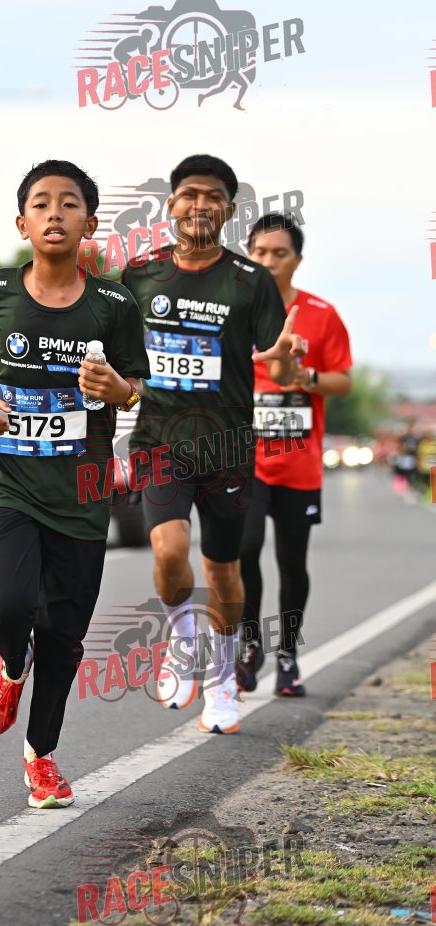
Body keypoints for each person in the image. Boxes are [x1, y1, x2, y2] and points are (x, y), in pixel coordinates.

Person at [0, 160, 149, 808]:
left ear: (89, 224)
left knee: (64, 635)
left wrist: (115, 388)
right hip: (7, 476)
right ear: (22, 224)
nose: (55, 213)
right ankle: (13, 664)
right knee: (11, 604)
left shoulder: (115, 305)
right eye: (41, 204)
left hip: (81, 488)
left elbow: (136, 387)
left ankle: (41, 757)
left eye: (70, 204)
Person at [121, 155, 305, 734]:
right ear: (172, 203)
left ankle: (222, 681)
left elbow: (280, 360)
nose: (200, 205)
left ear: (228, 210)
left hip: (227, 450)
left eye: (214, 197)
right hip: (159, 441)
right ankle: (182, 642)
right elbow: (116, 353)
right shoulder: (140, 274)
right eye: (190, 194)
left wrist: (286, 358)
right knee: (169, 551)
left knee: (224, 572)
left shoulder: (251, 281)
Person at [237, 213, 352, 697]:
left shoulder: (321, 314)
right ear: (248, 256)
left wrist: (307, 378)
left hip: (298, 462)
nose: (269, 261)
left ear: (297, 260)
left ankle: (287, 654)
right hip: (245, 459)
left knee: (291, 561)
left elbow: (343, 381)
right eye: (260, 252)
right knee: (244, 549)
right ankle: (250, 646)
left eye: (279, 253)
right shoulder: (232, 311)